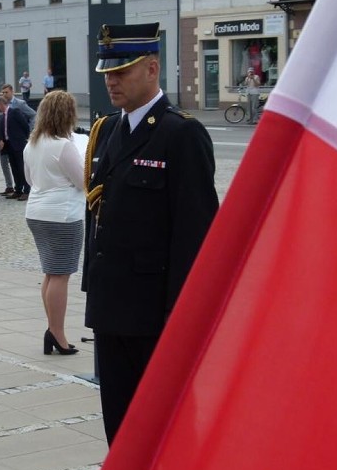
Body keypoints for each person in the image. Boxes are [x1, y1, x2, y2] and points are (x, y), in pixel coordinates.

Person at [83, 22, 219, 445]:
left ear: (152, 69)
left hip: (155, 318)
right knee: (120, 431)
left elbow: (196, 236)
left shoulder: (179, 134)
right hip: (111, 311)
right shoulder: (107, 130)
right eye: (108, 72)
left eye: (122, 71)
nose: (111, 80)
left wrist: (182, 318)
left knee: (167, 432)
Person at [23, 90, 86, 357]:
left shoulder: (32, 144)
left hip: (37, 212)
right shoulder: (63, 145)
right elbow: (83, 182)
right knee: (61, 274)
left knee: (51, 273)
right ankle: (57, 333)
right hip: (63, 214)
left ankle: (53, 328)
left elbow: (29, 179)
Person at [0, 96, 30, 200]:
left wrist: (23, 138)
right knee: (14, 168)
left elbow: (25, 125)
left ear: (1, 104)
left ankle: (27, 190)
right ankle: (18, 189)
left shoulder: (15, 112)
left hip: (18, 144)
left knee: (21, 168)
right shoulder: (1, 117)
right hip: (9, 145)